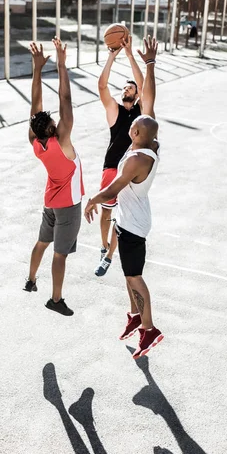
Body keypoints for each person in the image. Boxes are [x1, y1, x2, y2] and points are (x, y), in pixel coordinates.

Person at [84, 37, 164, 359]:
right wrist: (149, 64)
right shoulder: (149, 142)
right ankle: (134, 316)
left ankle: (149, 329)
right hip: (127, 219)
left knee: (135, 276)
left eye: (135, 126)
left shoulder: (136, 159)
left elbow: (114, 189)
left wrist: (93, 199)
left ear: (137, 133)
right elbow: (151, 100)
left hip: (133, 224)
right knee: (128, 273)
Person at [24, 37, 84, 317]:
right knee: (60, 254)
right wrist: (61, 65)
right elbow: (66, 100)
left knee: (42, 242)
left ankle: (30, 280)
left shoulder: (36, 143)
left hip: (51, 201)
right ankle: (56, 299)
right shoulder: (63, 141)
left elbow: (35, 107)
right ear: (53, 130)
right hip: (68, 206)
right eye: (54, 123)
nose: (57, 122)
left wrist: (37, 69)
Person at [95, 34, 144, 277]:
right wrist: (111, 57)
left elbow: (144, 85)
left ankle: (109, 256)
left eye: (131, 87)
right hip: (111, 167)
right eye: (125, 86)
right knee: (106, 212)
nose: (127, 88)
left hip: (130, 170)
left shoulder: (139, 112)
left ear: (135, 95)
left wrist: (129, 54)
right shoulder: (114, 110)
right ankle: (103, 245)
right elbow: (102, 86)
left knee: (121, 217)